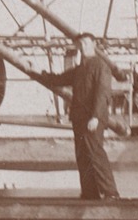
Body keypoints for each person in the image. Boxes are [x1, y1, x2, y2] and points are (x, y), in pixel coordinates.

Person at [36, 33, 128, 200]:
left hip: (92, 118)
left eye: (86, 43)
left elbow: (103, 93)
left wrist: (96, 117)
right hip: (79, 118)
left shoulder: (101, 66)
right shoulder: (79, 69)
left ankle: (110, 192)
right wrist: (40, 74)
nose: (83, 47)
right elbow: (59, 79)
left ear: (94, 45)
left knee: (95, 152)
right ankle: (89, 193)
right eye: (81, 44)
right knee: (82, 155)